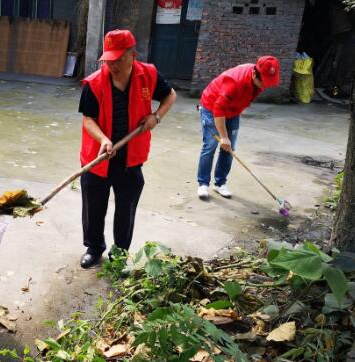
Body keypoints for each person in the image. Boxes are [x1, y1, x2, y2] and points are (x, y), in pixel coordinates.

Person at [77, 29, 177, 269]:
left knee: (126, 208)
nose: (113, 65)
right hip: (99, 157)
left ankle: (120, 253)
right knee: (93, 206)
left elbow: (170, 95)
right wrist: (103, 139)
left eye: (119, 59)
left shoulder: (149, 76)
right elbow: (88, 120)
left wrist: (156, 117)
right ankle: (94, 248)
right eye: (109, 60)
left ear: (133, 54)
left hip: (130, 158)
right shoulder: (94, 83)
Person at [196, 56, 281, 199]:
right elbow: (218, 109)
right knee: (210, 146)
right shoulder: (234, 82)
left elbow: (246, 98)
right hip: (212, 108)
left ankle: (220, 184)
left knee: (229, 149)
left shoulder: (258, 81)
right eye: (264, 82)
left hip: (233, 111)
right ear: (254, 74)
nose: (265, 86)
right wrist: (223, 137)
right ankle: (203, 184)